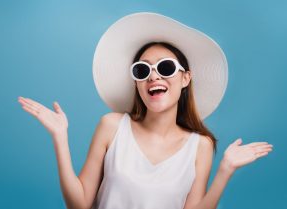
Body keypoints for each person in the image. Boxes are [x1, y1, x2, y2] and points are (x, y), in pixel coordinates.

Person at [18, 12, 273, 209]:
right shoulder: (112, 126)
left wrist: (225, 170)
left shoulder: (201, 145)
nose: (153, 76)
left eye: (165, 68)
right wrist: (60, 137)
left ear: (185, 78)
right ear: (137, 82)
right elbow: (79, 204)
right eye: (142, 70)